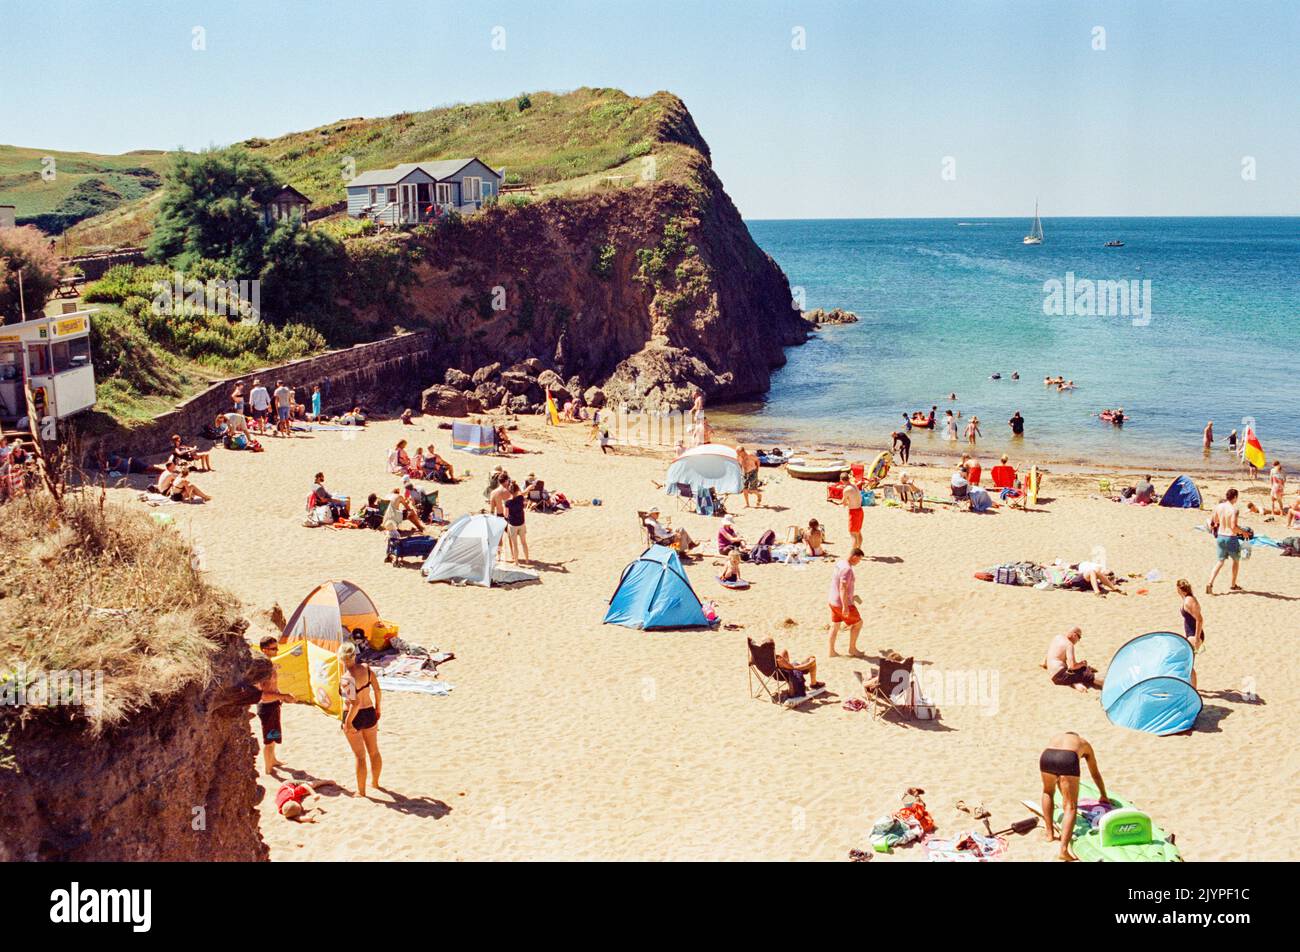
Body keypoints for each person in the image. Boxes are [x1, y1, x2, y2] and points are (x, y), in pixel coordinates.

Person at [1039, 732, 1109, 862]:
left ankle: (1049, 834)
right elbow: (1095, 773)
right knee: (1070, 807)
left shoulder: (1056, 737)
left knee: (1047, 792)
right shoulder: (1084, 743)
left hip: (1047, 755)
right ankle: (1063, 850)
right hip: (1067, 758)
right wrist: (1103, 794)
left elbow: (1058, 772)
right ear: (1077, 736)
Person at [338, 641, 382, 798]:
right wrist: (378, 708)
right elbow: (377, 690)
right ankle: (375, 783)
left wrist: (348, 722)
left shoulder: (346, 678)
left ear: (341, 659)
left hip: (354, 716)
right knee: (374, 751)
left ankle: (361, 791)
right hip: (369, 712)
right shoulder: (367, 669)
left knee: (360, 756)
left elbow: (354, 704)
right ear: (354, 655)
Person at [255, 636, 293, 772]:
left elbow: (272, 688)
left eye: (277, 648)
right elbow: (263, 695)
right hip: (267, 707)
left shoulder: (268, 665)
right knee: (269, 741)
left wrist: (281, 696)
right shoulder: (262, 669)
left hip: (273, 705)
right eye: (273, 649)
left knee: (274, 736)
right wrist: (283, 696)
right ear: (265, 650)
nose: (277, 651)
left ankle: (273, 760)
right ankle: (268, 768)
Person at [827, 548, 864, 657]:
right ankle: (852, 649)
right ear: (854, 557)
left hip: (832, 600)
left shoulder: (840, 563)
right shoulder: (847, 569)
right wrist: (845, 606)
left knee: (835, 626)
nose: (859, 562)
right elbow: (842, 588)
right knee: (858, 623)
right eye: (859, 559)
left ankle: (831, 652)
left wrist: (852, 596)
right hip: (841, 603)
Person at [1207, 488, 1244, 594]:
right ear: (1235, 497)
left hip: (1220, 536)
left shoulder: (1218, 507)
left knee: (1220, 562)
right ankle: (1233, 584)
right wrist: (1243, 532)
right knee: (1236, 561)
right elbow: (1233, 527)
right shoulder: (1234, 510)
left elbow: (1214, 521)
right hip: (1230, 537)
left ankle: (1210, 582)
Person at [1042, 627, 1102, 692]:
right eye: (1079, 637)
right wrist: (1082, 664)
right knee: (1087, 674)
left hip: (1052, 675)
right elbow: (1072, 666)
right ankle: (1105, 684)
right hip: (1060, 676)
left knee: (1079, 671)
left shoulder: (1057, 637)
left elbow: (1048, 656)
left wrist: (1045, 664)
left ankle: (1076, 684)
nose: (1078, 640)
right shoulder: (1069, 644)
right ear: (1074, 635)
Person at [503, 480, 530, 563]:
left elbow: (506, 515)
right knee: (524, 542)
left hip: (513, 524)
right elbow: (524, 492)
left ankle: (516, 562)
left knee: (515, 544)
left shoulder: (507, 502)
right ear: (517, 489)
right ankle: (527, 560)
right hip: (521, 523)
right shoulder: (520, 498)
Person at [842, 474, 863, 551]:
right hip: (860, 510)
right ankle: (859, 549)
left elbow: (843, 503)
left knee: (853, 534)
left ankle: (854, 552)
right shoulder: (854, 485)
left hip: (853, 512)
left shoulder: (846, 490)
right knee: (858, 532)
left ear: (842, 480)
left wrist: (845, 501)